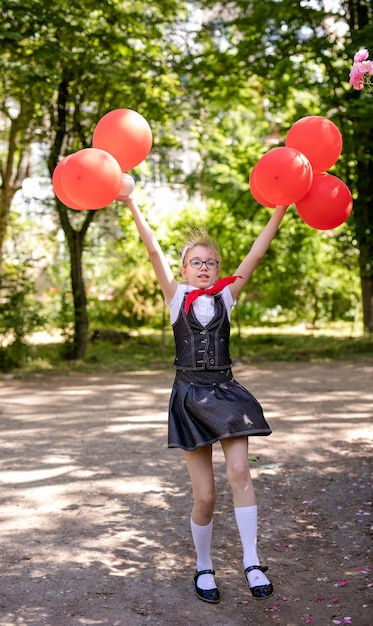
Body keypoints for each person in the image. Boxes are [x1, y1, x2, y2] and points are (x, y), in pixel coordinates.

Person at [119, 189, 287, 603]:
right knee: (206, 496)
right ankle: (204, 566)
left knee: (241, 473)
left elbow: (256, 253)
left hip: (226, 392)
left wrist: (280, 209)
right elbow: (153, 250)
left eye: (211, 262)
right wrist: (131, 204)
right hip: (189, 396)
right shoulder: (176, 297)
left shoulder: (226, 296)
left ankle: (251, 561)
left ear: (218, 269)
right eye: (196, 262)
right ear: (184, 268)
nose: (205, 268)